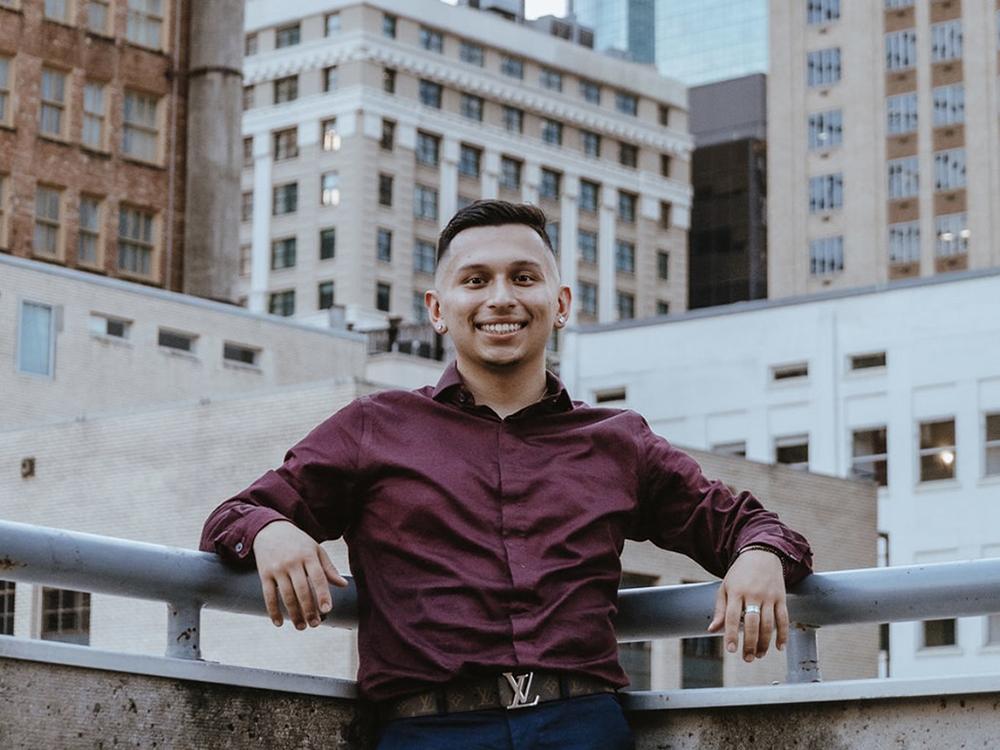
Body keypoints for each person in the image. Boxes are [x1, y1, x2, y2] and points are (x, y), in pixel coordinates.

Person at [200, 200, 813, 749]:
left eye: (524, 278)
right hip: (428, 731)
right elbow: (231, 516)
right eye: (475, 281)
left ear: (561, 304)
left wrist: (759, 556)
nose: (500, 298)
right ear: (439, 311)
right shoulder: (374, 426)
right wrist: (270, 531)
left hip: (583, 727)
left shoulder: (618, 441)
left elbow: (753, 526)